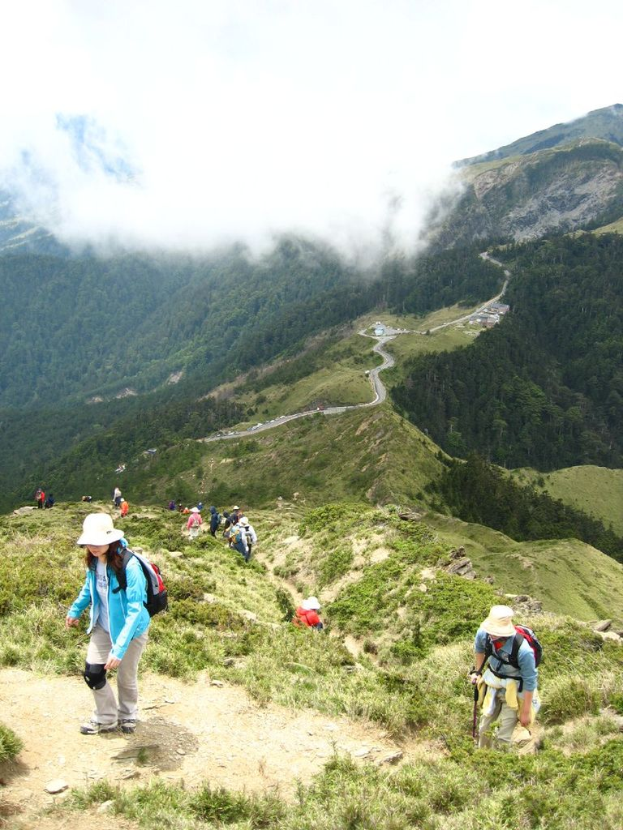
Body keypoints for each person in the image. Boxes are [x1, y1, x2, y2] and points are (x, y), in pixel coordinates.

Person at [65, 513, 150, 735]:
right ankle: (107, 717)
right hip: (103, 626)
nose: (92, 546)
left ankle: (128, 714)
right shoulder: (93, 561)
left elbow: (135, 610)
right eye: (89, 541)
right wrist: (75, 610)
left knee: (126, 676)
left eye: (98, 541)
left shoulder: (130, 566)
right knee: (92, 673)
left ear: (110, 539)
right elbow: (89, 588)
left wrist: (119, 648)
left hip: (132, 631)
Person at [469, 605, 539, 750]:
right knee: (484, 728)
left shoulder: (523, 650)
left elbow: (530, 681)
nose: (492, 635)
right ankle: (482, 760)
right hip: (493, 685)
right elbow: (479, 650)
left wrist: (525, 712)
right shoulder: (483, 634)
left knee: (502, 736)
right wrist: (478, 671)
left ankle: (499, 765)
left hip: (514, 691)